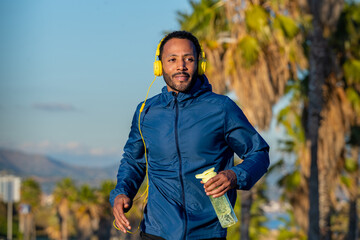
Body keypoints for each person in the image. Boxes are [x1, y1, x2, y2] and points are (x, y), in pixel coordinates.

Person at [110, 30, 270, 240]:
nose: (181, 66)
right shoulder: (145, 112)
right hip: (156, 231)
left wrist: (234, 176)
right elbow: (134, 161)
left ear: (199, 64)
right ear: (159, 66)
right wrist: (122, 192)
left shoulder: (221, 108)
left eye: (189, 59)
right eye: (172, 59)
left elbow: (259, 152)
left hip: (207, 232)